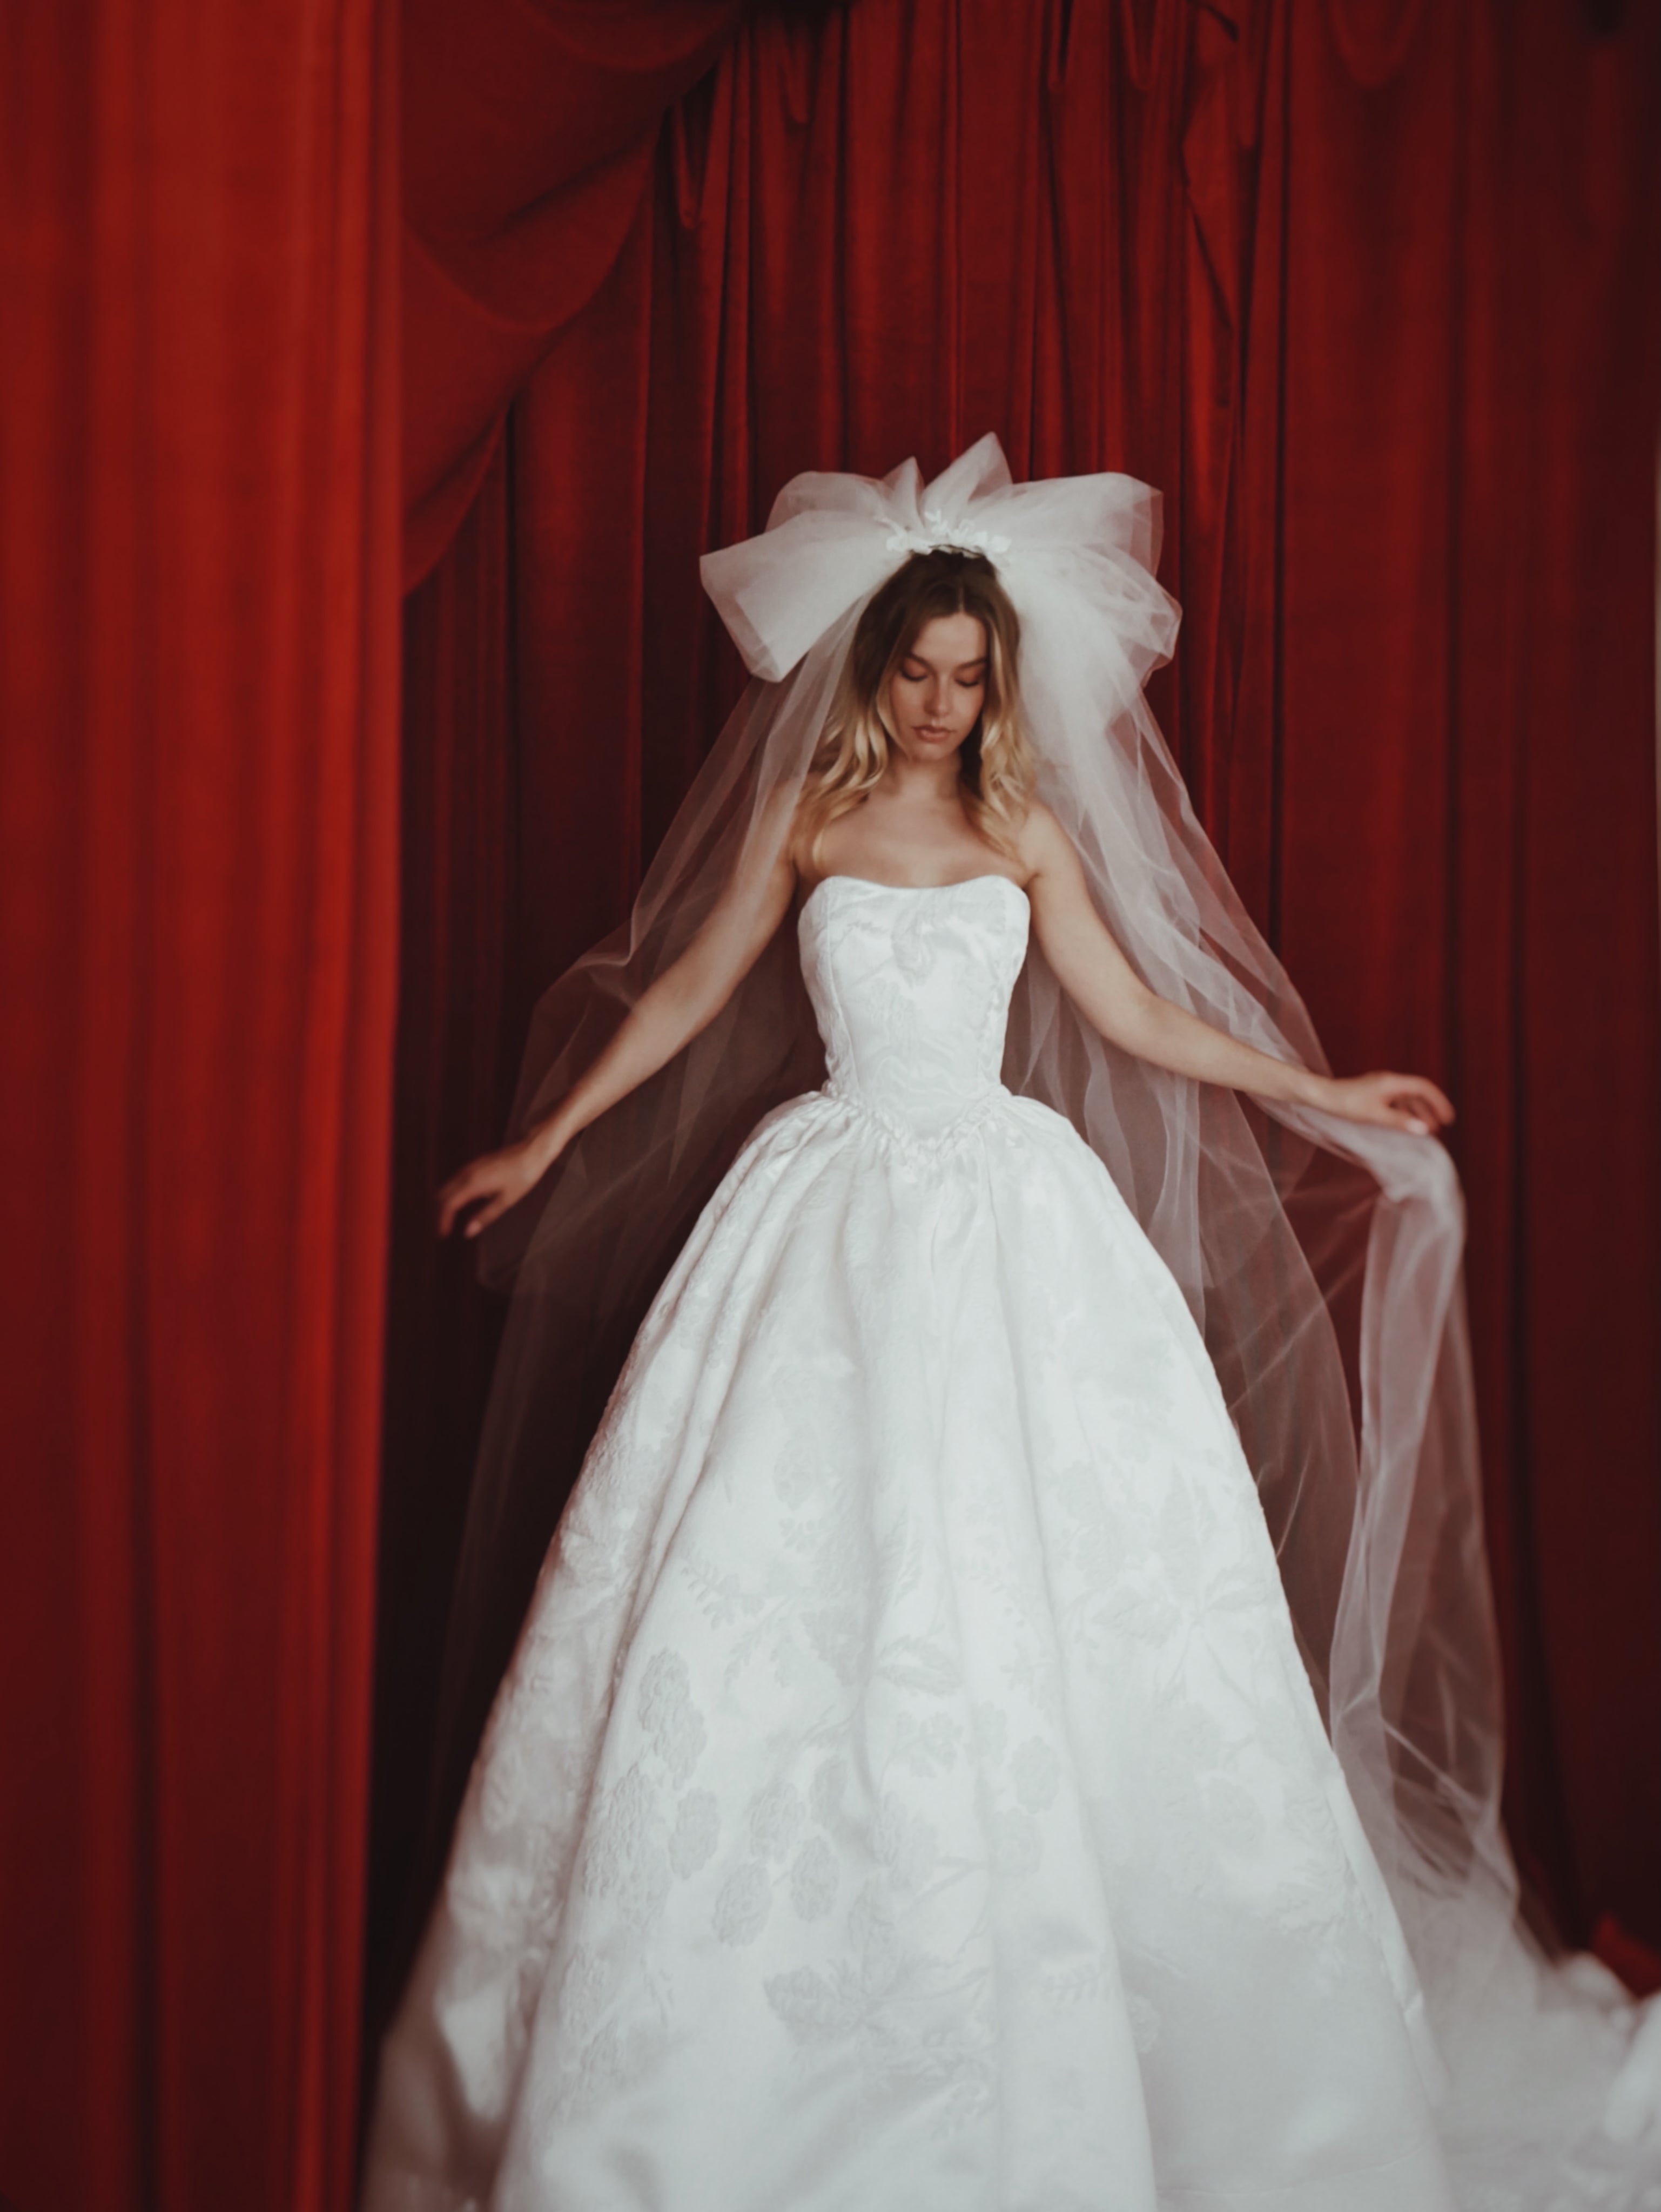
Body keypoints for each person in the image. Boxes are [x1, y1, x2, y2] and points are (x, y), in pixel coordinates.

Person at [362, 441, 1661, 2210]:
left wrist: (1317, 1086)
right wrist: (546, 1136)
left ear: (997, 683)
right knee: (779, 1587)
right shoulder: (810, 818)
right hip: (822, 1220)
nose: (940, 705)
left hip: (1009, 1219)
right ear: (876, 663)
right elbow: (680, 988)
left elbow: (1136, 1014)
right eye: (919, 674)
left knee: (1062, 1592)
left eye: (969, 681)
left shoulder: (1020, 826)